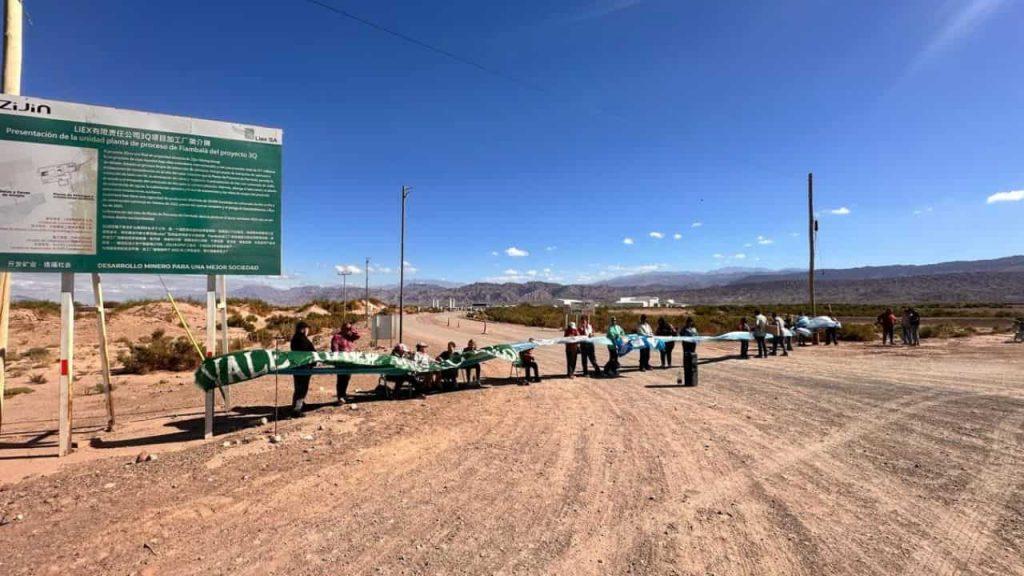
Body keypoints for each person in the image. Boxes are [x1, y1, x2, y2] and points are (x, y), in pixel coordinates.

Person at [289, 321, 316, 416]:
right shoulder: (302, 339)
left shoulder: (295, 338)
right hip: (304, 367)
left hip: (297, 366)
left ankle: (298, 404)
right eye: (307, 329)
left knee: (298, 387)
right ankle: (297, 409)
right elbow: (308, 353)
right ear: (303, 329)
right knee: (302, 388)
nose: (308, 331)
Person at [329, 321, 360, 403]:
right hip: (341, 362)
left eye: (348, 328)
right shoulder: (337, 337)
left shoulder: (349, 336)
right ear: (342, 328)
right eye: (346, 328)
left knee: (347, 378)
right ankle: (340, 396)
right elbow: (334, 349)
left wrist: (352, 329)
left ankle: (343, 394)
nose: (347, 330)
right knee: (341, 379)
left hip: (349, 362)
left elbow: (358, 336)